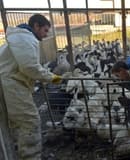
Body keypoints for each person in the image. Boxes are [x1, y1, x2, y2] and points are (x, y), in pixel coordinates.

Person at [0, 14, 62, 160]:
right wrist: (50, 77)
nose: (46, 35)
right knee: (30, 122)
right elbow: (29, 67)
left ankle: (14, 153)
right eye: (45, 30)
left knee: (11, 123)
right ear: (36, 26)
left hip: (9, 82)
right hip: (12, 84)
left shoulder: (19, 38)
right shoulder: (25, 38)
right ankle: (30, 156)